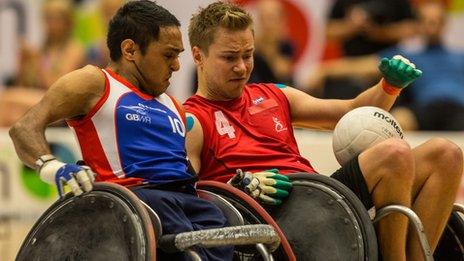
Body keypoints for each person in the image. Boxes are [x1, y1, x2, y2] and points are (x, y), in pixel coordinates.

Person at [183, 2, 463, 261]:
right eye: (230, 57)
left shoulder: (275, 95)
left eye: (248, 54)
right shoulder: (192, 119)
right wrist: (238, 185)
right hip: (274, 221)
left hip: (319, 197)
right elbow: (182, 194)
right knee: (394, 152)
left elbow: (351, 111)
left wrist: (389, 86)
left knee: (446, 153)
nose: (242, 67)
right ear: (198, 55)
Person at [9, 1, 233, 260]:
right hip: (136, 206)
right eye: (168, 55)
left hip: (188, 202)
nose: (176, 66)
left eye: (178, 56)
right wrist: (53, 167)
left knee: (237, 230)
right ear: (130, 50)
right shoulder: (95, 83)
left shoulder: (174, 105)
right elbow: (24, 128)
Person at [308, 1, 464, 131]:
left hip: (459, 108)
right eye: (426, 21)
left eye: (436, 22)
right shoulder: (408, 56)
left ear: (444, 24)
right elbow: (362, 65)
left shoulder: (459, 56)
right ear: (418, 24)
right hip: (426, 108)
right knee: (394, 121)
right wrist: (324, 71)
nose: (431, 27)